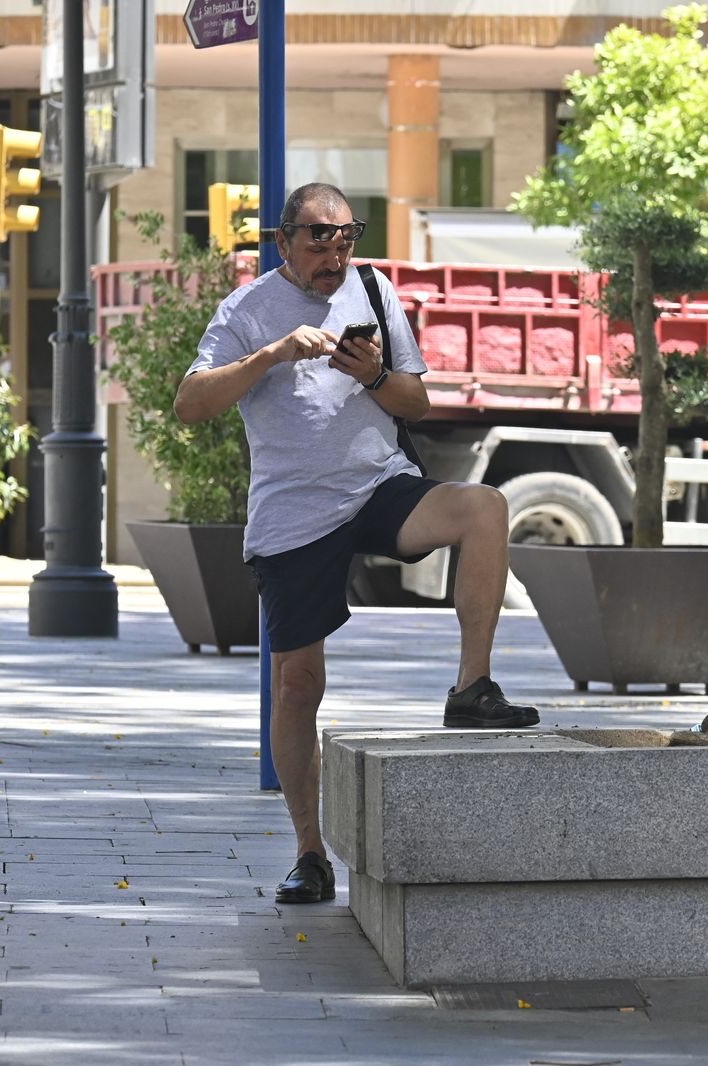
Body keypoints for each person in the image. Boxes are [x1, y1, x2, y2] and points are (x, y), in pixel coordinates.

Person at [174, 183, 540, 905]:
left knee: (484, 509)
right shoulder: (247, 311)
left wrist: (373, 374)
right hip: (293, 516)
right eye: (319, 239)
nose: (335, 254)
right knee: (296, 685)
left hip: (378, 488)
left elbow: (416, 401)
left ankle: (471, 688)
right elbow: (190, 405)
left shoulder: (375, 290)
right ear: (285, 242)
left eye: (346, 239)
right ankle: (310, 854)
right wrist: (272, 356)